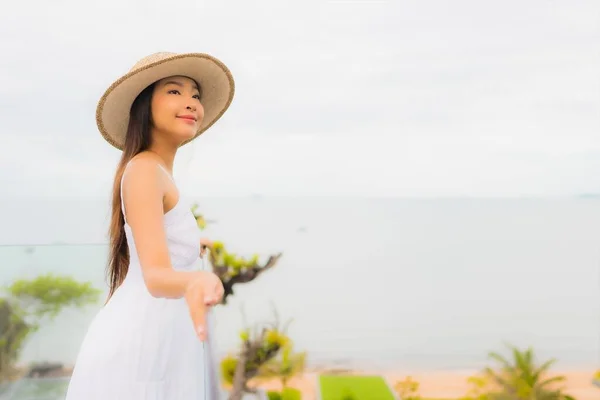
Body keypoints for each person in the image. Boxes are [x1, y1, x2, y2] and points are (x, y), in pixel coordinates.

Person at [65, 51, 236, 399]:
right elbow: (156, 277)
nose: (190, 102)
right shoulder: (145, 170)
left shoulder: (155, 170)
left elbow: (155, 242)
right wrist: (201, 278)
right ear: (144, 106)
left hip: (158, 339)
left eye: (196, 95)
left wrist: (190, 244)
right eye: (174, 91)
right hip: (142, 348)